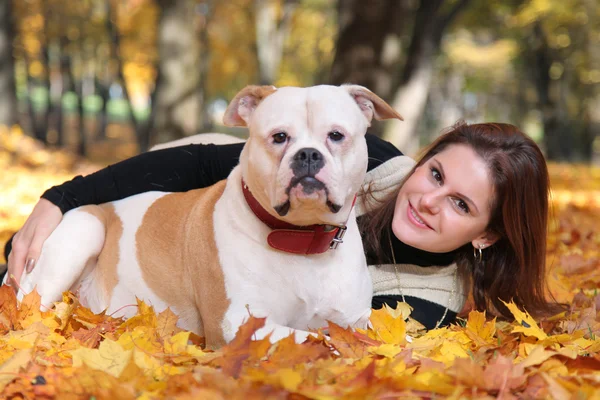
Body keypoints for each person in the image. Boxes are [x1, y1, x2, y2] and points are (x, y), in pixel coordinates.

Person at [2, 121, 561, 329]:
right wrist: (62, 198)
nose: (429, 199)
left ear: (488, 234)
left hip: (186, 276)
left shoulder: (430, 301)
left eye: (462, 205)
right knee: (43, 245)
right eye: (435, 172)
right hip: (164, 209)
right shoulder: (368, 164)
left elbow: (327, 338)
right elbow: (200, 161)